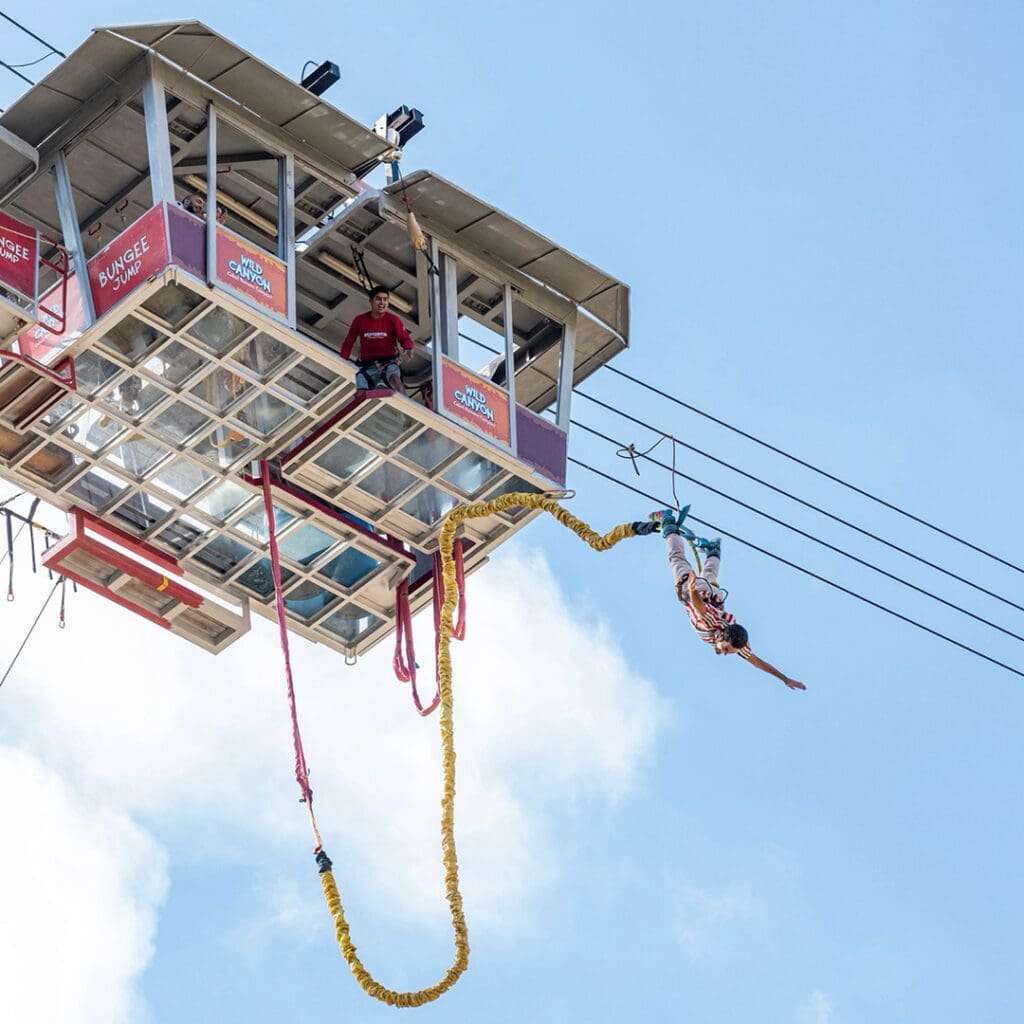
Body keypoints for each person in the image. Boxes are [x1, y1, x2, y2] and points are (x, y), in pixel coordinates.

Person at [632, 505, 806, 691]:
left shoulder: (735, 641)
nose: (724, 653)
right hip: (697, 593)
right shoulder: (709, 623)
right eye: (726, 649)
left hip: (714, 596)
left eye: (728, 652)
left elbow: (758, 662)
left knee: (710, 576)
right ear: (723, 636)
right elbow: (700, 608)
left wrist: (784, 678)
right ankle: (667, 520)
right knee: (677, 558)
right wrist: (691, 587)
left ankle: (713, 550)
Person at [340, 285, 414, 393]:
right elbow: (348, 342)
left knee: (396, 381)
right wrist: (342, 360)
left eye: (385, 299)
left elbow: (404, 338)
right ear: (371, 301)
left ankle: (407, 406)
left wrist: (408, 348)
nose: (382, 302)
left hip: (389, 363)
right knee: (361, 390)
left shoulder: (393, 320)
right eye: (378, 299)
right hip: (368, 365)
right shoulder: (359, 320)